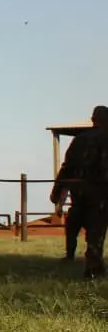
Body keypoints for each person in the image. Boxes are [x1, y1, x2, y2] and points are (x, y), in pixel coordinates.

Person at [51, 105, 108, 279]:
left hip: (80, 193)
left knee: (86, 228)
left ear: (93, 121)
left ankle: (89, 264)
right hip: (100, 193)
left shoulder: (79, 140)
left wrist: (57, 191)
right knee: (96, 230)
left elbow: (66, 167)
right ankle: (93, 268)